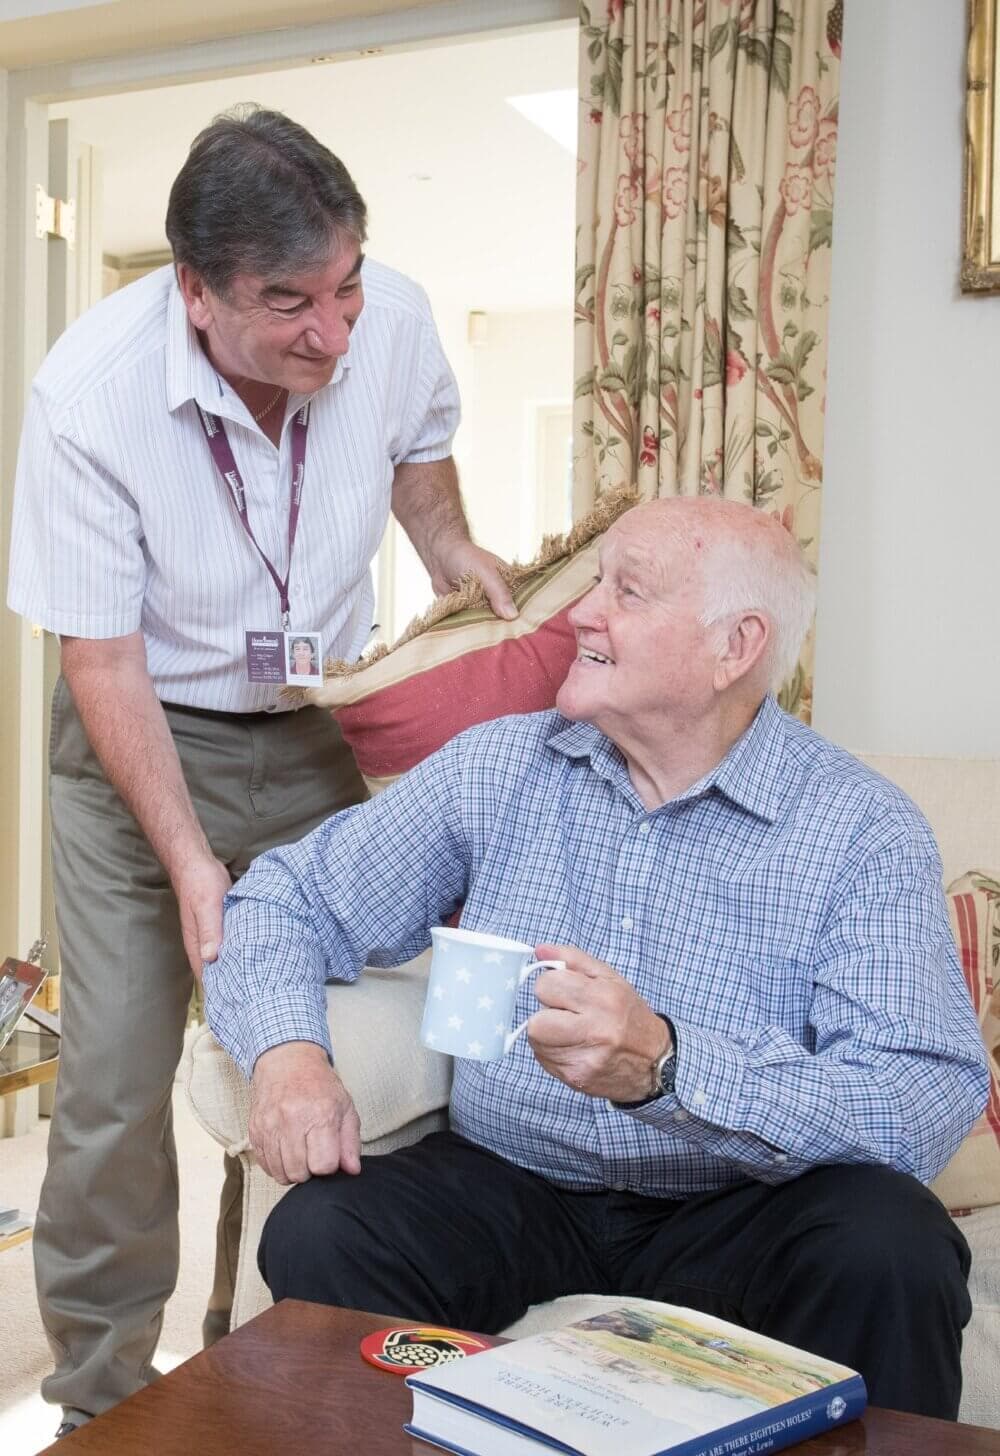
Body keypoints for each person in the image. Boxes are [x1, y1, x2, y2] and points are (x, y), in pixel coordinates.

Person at [204, 497, 989, 1421]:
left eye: (628, 591)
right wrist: (289, 1053)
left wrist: (670, 1067)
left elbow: (918, 1097)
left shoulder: (859, 830)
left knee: (892, 1246)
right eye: (594, 584)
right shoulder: (500, 768)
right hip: (514, 1181)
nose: (581, 613)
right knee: (325, 1231)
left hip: (744, 1201)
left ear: (733, 647)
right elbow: (284, 898)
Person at [6, 104, 515, 1438]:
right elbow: (102, 665)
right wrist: (185, 861)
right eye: (291, 303)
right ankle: (102, 1397)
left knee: (343, 1040)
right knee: (115, 1082)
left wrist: (456, 556)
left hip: (314, 726)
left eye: (346, 288)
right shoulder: (90, 398)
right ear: (197, 294)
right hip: (140, 743)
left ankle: (310, 1357)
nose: (333, 334)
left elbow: (420, 472)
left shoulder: (387, 321)